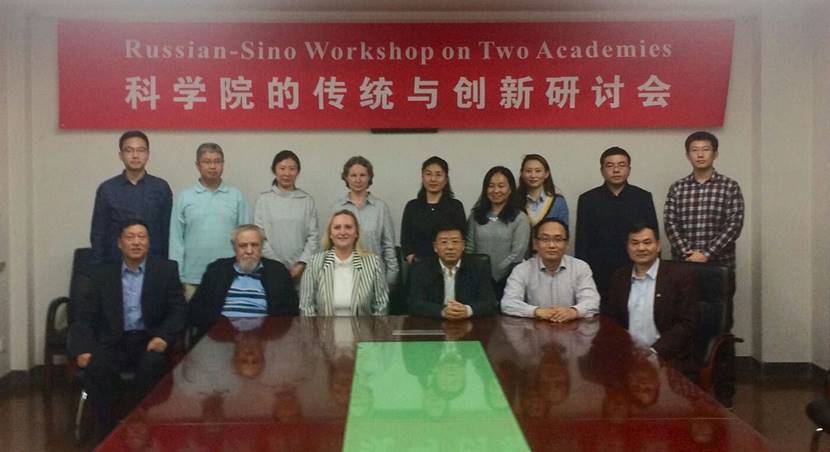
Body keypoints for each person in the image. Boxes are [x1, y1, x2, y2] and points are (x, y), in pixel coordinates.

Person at [68, 219, 186, 437]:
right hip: (113, 341)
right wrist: (81, 348)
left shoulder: (166, 270)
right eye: (130, 237)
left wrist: (164, 337)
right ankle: (109, 431)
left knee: (154, 365)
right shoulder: (102, 274)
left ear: (149, 242)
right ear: (120, 243)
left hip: (149, 341)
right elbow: (84, 316)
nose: (136, 242)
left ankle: (142, 424)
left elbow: (178, 311)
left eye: (142, 237)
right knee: (96, 367)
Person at [664, 131, 744, 406]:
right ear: (688, 155)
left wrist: (706, 254)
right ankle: (686, 388)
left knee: (721, 329)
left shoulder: (729, 187)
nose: (700, 154)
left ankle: (724, 393)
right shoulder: (677, 188)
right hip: (683, 270)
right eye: (694, 149)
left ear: (715, 153)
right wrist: (689, 253)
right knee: (683, 325)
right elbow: (670, 224)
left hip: (719, 270)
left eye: (705, 149)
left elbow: (734, 225)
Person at [603, 224, 698, 376]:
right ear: (627, 247)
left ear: (658, 246)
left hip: (667, 357)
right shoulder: (619, 277)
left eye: (647, 242)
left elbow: (687, 324)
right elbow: (612, 320)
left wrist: (653, 353)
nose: (641, 248)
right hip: (628, 356)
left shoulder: (679, 276)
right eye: (635, 243)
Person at [575, 147, 658, 302]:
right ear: (602, 170)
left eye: (621, 165)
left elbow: (653, 237)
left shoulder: (642, 197)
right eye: (610, 165)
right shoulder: (588, 199)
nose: (616, 170)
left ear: (629, 169)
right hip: (599, 270)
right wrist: (583, 275)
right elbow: (582, 242)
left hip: (635, 268)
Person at [169, 143, 249, 300]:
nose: (213, 166)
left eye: (217, 161)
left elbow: (245, 240)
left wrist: (244, 273)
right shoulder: (184, 197)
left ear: (223, 164)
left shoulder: (236, 196)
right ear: (197, 165)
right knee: (193, 317)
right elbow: (176, 240)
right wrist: (177, 276)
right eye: (207, 162)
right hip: (192, 279)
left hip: (230, 278)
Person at [188, 224, 299, 338]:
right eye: (243, 246)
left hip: (264, 337)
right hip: (222, 337)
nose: (249, 251)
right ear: (234, 247)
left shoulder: (278, 272)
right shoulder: (216, 270)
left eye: (254, 245)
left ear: (262, 246)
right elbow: (196, 310)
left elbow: (290, 313)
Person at [90, 130, 172, 264]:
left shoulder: (161, 188)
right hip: (115, 264)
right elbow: (98, 233)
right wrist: (98, 268)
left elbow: (168, 231)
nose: (135, 155)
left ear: (147, 155)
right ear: (121, 155)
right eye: (129, 150)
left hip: (153, 264)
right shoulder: (107, 189)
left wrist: (166, 266)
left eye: (141, 150)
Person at [501, 218, 599, 322]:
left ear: (567, 244)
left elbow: (592, 301)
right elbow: (508, 303)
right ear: (535, 243)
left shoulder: (581, 267)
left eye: (558, 240)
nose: (552, 245)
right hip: (534, 328)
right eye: (545, 239)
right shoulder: (522, 269)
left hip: (571, 326)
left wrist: (573, 311)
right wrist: (537, 311)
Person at [300, 210, 389, 316]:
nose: (342, 232)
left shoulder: (373, 263)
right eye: (337, 227)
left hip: (363, 327)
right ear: (330, 234)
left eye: (348, 227)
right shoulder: (315, 262)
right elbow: (306, 307)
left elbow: (381, 307)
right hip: (324, 327)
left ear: (356, 233)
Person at [330, 156, 398, 286]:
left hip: (375, 277)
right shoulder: (337, 208)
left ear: (369, 177)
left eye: (362, 175)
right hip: (343, 277)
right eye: (353, 175)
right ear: (346, 178)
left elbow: (388, 246)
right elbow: (329, 246)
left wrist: (390, 279)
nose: (358, 180)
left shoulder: (380, 208)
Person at [407, 223, 498, 319]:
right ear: (435, 247)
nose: (450, 247)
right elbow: (414, 303)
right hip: (433, 322)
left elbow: (490, 302)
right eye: (444, 242)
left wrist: (467, 310)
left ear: (463, 245)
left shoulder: (479, 267)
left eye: (455, 241)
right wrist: (442, 311)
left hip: (468, 322)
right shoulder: (421, 268)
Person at [465, 166, 531, 297]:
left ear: (510, 189)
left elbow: (518, 253)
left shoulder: (520, 217)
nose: (496, 190)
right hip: (477, 279)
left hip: (510, 278)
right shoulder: (475, 215)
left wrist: (496, 273)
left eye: (501, 186)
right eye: (491, 186)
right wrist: (479, 273)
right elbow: (469, 247)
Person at [254, 150, 319, 282]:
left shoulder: (306, 200)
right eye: (282, 168)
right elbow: (260, 237)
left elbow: (313, 237)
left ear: (298, 172)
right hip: (271, 269)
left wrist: (301, 263)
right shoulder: (263, 200)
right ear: (274, 170)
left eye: (292, 169)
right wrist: (278, 266)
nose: (287, 173)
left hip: (301, 271)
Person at [400, 156, 465, 263]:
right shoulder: (412, 206)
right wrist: (413, 259)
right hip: (419, 265)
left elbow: (461, 239)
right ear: (422, 177)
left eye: (438, 175)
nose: (433, 179)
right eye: (428, 174)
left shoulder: (455, 206)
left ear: (446, 179)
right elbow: (405, 241)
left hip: (449, 265)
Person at [517, 154, 569, 228]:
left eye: (538, 171)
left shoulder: (558, 202)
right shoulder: (514, 201)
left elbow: (563, 231)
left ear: (546, 174)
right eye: (528, 171)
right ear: (522, 173)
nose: (533, 175)